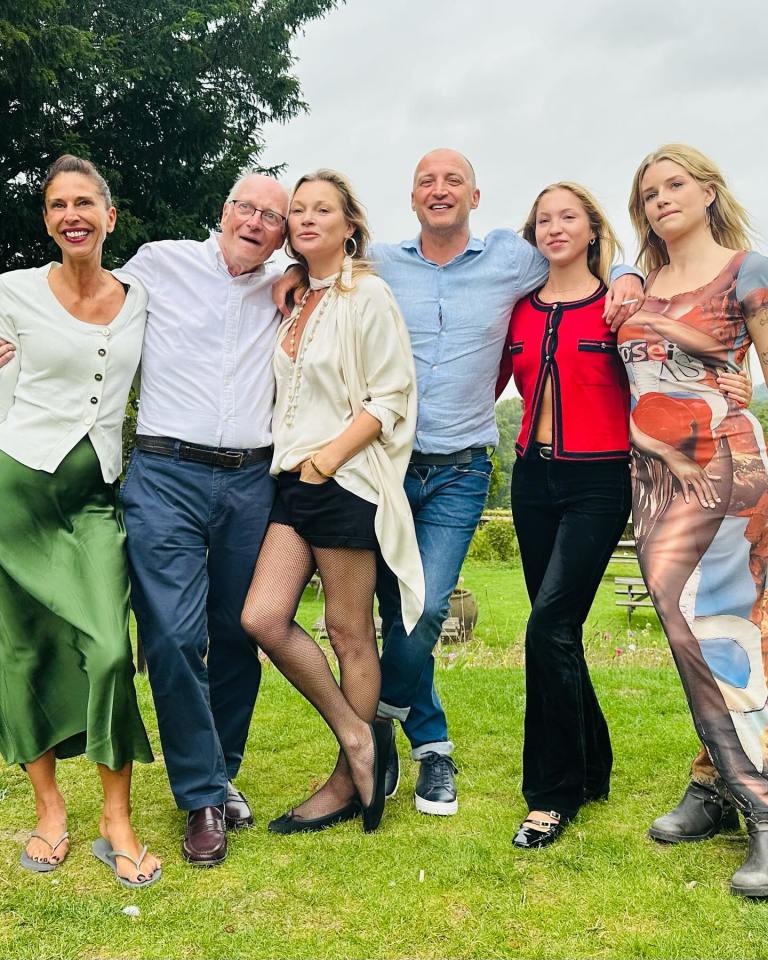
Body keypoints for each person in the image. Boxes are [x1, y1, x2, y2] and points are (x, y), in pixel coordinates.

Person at [275, 148, 644, 817]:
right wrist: (293, 277)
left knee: (428, 611)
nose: (439, 190)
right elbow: (323, 267)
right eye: (425, 181)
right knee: (394, 613)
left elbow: (583, 256)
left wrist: (626, 277)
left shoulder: (513, 259)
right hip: (382, 466)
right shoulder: (381, 264)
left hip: (461, 471)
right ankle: (432, 746)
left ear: (476, 196)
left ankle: (375, 729)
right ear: (411, 197)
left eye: (453, 181)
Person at [496, 182, 752, 849]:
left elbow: (666, 365)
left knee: (547, 624)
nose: (555, 227)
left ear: (592, 230)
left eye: (568, 217)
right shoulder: (517, 311)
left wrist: (730, 374)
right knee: (559, 632)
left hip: (600, 481)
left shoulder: (619, 306)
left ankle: (551, 795)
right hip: (532, 478)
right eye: (542, 218)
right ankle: (593, 766)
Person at [240, 169, 422, 834]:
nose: (307, 219)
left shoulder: (367, 295)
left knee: (349, 633)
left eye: (324, 210)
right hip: (291, 483)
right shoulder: (295, 297)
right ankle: (358, 735)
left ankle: (347, 784)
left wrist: (325, 461)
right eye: (299, 211)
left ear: (350, 225)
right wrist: (302, 468)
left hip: (343, 482)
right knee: (263, 617)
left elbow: (391, 396)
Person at [117, 174, 289, 865]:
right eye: (245, 208)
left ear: (280, 233)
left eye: (270, 216)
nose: (255, 222)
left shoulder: (288, 283)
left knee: (239, 631)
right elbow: (89, 302)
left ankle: (222, 771)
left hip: (251, 480)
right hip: (164, 474)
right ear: (222, 213)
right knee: (171, 636)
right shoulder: (160, 262)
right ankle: (202, 798)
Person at [0, 154, 160, 888]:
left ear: (110, 215)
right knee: (23, 652)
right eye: (58, 204)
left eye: (85, 203)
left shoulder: (141, 298)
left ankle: (115, 818)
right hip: (15, 493)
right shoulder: (11, 292)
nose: (73, 214)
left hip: (94, 495)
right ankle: (50, 811)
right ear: (47, 220)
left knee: (108, 650)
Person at [617, 144, 768, 897]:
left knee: (721, 630)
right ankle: (714, 784)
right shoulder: (639, 285)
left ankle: (763, 805)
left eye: (675, 185)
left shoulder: (748, 269)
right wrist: (626, 279)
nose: (661, 199)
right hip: (652, 483)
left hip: (727, 469)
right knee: (689, 634)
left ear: (708, 192)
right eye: (649, 193)